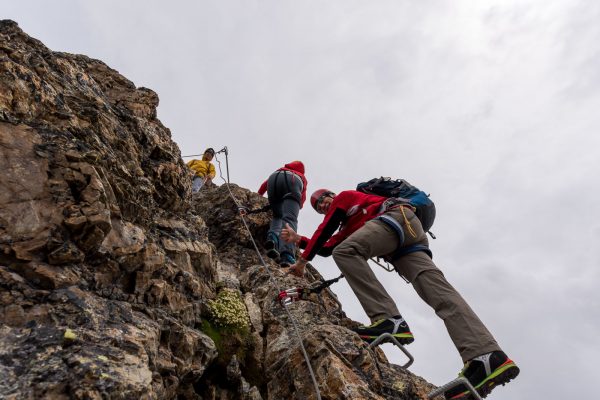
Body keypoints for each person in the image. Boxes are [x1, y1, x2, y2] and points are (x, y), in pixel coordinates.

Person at [281, 188, 519, 399]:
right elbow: (326, 247)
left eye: (323, 199)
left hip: (396, 219)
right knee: (440, 295)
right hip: (407, 239)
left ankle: (389, 320)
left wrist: (302, 261)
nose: (323, 205)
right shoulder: (348, 227)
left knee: (346, 252)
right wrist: (299, 240)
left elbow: (328, 230)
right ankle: (486, 356)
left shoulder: (346, 198)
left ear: (332, 196)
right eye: (318, 206)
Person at [258, 161, 307, 268]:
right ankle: (287, 254)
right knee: (290, 219)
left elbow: (264, 185)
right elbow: (302, 198)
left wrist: (259, 195)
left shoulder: (281, 169)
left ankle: (272, 238)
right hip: (293, 182)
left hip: (274, 179)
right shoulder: (301, 176)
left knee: (277, 215)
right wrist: (297, 205)